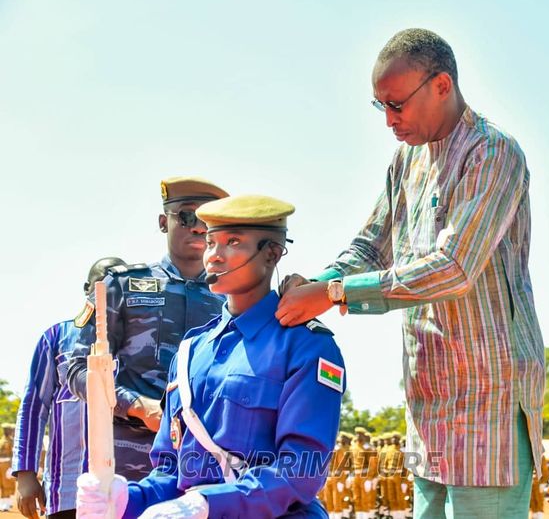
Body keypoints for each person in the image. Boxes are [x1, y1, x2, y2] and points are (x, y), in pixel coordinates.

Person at [276, 28, 545, 518]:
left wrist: (334, 294)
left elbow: (454, 269)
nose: (390, 120)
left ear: (442, 85)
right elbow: (369, 246)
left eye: (397, 103)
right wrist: (318, 281)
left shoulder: (491, 154)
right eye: (381, 107)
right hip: (428, 403)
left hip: (489, 405)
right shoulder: (406, 162)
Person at [76, 194, 346, 518]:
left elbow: (301, 470)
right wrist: (123, 500)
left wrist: (208, 504)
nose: (214, 256)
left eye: (232, 242)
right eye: (211, 241)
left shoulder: (305, 345)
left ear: (272, 253)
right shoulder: (191, 350)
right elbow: (172, 472)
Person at [67, 177, 227, 480]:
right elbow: (76, 370)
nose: (197, 227)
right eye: (187, 216)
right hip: (130, 458)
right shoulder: (120, 285)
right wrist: (140, 407)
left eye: (207, 220)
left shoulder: (231, 297)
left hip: (205, 458)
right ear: (163, 221)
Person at [11, 257, 126, 519]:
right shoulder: (56, 337)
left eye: (119, 286)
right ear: (87, 289)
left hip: (125, 484)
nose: (109, 292)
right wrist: (26, 474)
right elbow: (33, 408)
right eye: (102, 284)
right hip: (67, 487)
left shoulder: (141, 341)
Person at [0, 423, 16, 511]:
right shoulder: (2, 440)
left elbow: (13, 454)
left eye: (7, 429)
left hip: (7, 464)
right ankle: (2, 503)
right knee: (1, 484)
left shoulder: (11, 441)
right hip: (1, 463)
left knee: (7, 484)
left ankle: (6, 504)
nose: (6, 431)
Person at [529, 454, 549, 519]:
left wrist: (543, 483)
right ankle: (534, 516)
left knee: (539, 500)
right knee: (532, 501)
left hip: (539, 482)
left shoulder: (541, 457)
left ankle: (539, 517)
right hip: (531, 481)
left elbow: (545, 471)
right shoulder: (530, 455)